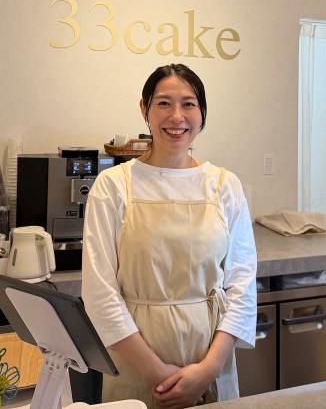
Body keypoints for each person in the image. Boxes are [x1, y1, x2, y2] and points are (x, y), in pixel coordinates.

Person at [82, 64, 257, 409]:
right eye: (164, 103)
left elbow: (243, 285)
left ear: (202, 113)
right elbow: (100, 295)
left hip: (211, 362)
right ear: (144, 109)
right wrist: (157, 375)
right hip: (136, 365)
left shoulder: (225, 185)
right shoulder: (114, 186)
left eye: (188, 104)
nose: (177, 116)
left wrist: (208, 370)